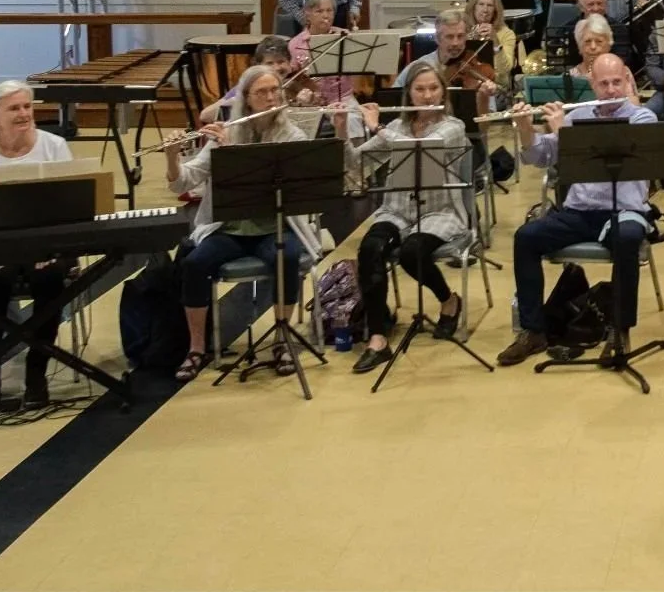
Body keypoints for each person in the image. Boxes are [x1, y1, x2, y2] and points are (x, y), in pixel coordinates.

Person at [498, 54, 660, 367]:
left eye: (617, 82)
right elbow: (538, 157)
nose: (612, 90)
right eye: (604, 84)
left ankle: (619, 331)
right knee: (526, 237)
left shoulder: (641, 119)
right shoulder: (577, 114)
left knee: (627, 239)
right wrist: (526, 129)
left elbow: (596, 158)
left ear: (628, 81)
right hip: (580, 211)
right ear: (592, 84)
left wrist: (564, 134)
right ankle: (533, 330)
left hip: (624, 210)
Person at [165, 65, 313, 382]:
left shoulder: (292, 135)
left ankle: (281, 339)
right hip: (230, 229)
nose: (271, 97)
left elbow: (285, 187)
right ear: (246, 98)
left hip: (274, 226)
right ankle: (196, 348)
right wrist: (172, 156)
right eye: (262, 92)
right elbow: (184, 184)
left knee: (285, 258)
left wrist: (232, 151)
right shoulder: (227, 130)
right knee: (194, 264)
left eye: (275, 91)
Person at [337, 62, 472, 372]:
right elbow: (358, 164)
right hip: (397, 210)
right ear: (408, 93)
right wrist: (343, 128)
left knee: (412, 253)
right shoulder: (397, 127)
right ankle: (378, 337)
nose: (427, 96)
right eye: (420, 89)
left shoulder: (453, 127)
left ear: (443, 91)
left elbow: (417, 148)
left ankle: (448, 300)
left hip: (439, 212)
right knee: (370, 249)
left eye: (433, 89)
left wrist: (375, 126)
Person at [0, 81, 74, 411]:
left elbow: (69, 209)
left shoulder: (54, 147)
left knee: (50, 279)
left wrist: (49, 248)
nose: (24, 114)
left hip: (46, 248)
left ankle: (36, 372)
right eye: (14, 108)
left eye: (27, 107)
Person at [201, 35, 315, 124]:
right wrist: (242, 101)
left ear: (289, 63)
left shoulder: (298, 85)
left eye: (281, 61)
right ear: (258, 66)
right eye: (269, 63)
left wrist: (305, 107)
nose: (276, 68)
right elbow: (205, 115)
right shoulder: (249, 87)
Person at [286, 0, 358, 116]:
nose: (326, 16)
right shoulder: (295, 44)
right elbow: (290, 81)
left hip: (343, 99)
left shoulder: (344, 36)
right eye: (319, 11)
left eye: (329, 11)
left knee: (352, 120)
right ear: (307, 14)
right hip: (311, 102)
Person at [465, 0, 524, 96]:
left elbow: (505, 70)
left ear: (495, 10)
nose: (485, 10)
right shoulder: (462, 30)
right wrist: (470, 39)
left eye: (490, 5)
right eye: (481, 4)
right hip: (467, 84)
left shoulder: (507, 34)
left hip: (495, 87)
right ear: (474, 7)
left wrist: (495, 42)